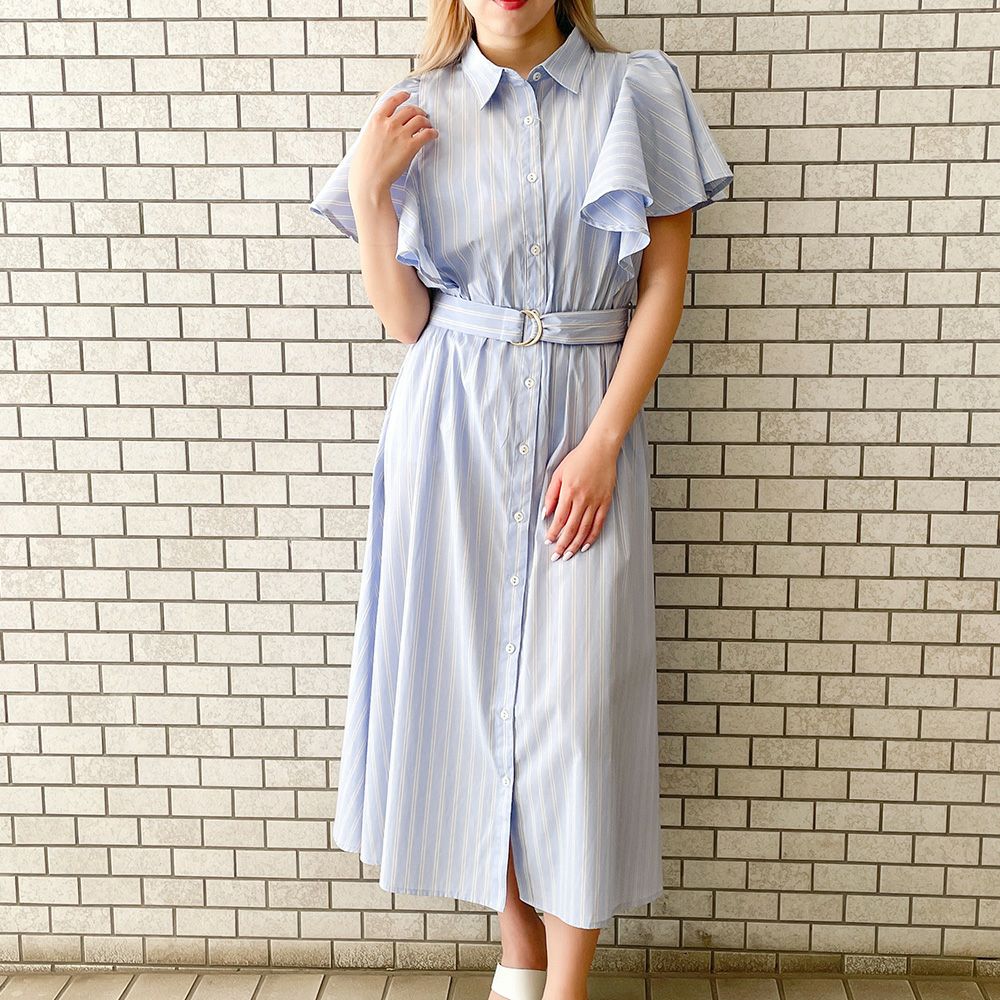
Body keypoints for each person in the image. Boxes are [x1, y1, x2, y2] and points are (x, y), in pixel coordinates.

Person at [309, 1, 734, 997]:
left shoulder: (635, 91)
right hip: (450, 431)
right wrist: (370, 193)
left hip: (586, 422)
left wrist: (603, 441)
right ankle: (519, 956)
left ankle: (567, 985)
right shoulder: (414, 109)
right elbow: (407, 321)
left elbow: (662, 281)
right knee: (473, 702)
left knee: (576, 712)